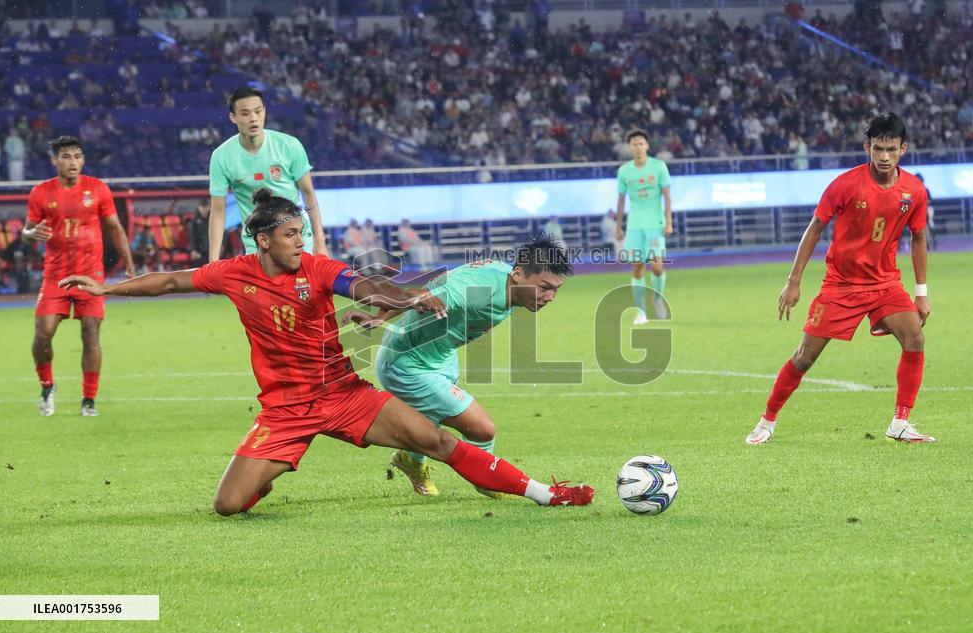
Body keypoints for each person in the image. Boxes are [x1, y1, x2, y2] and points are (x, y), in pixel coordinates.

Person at [59, 189, 594, 515]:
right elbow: (171, 281)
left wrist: (400, 298)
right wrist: (108, 288)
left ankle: (548, 494)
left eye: (304, 232)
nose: (302, 241)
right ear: (263, 241)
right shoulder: (232, 274)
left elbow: (363, 285)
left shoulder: (317, 268)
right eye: (292, 234)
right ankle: (267, 473)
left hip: (343, 394)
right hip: (285, 408)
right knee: (228, 506)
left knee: (437, 441)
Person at [746, 112, 935, 445]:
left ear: (903, 149)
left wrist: (921, 292)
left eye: (891, 149)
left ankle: (900, 422)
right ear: (867, 147)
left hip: (885, 284)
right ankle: (767, 420)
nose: (884, 156)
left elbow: (918, 238)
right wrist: (794, 280)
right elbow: (815, 228)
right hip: (841, 286)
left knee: (915, 338)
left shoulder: (913, 191)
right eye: (878, 149)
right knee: (805, 356)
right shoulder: (846, 184)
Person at [343, 233, 571, 499]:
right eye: (544, 287)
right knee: (482, 428)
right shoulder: (477, 290)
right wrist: (379, 316)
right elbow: (418, 295)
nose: (550, 296)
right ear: (518, 274)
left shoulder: (510, 284)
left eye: (556, 289)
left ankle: (411, 462)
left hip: (441, 356)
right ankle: (488, 478)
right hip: (407, 364)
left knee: (427, 421)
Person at [21, 135, 136, 417]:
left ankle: (89, 399)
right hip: (55, 275)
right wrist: (31, 234)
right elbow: (26, 232)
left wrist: (130, 266)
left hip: (90, 274)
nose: (72, 162)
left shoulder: (97, 189)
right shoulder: (41, 192)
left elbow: (115, 228)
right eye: (66, 156)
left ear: (83, 159)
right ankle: (47, 385)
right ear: (54, 160)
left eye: (77, 156)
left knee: (90, 332)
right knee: (43, 334)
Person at [208, 87, 327, 262]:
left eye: (258, 111)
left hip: (299, 241)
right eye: (245, 113)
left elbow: (308, 194)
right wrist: (213, 261)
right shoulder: (221, 157)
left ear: (264, 111)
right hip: (257, 247)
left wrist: (320, 242)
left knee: (302, 290)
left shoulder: (289, 146)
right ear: (233, 117)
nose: (253, 118)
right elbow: (218, 211)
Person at [615, 129, 673, 324]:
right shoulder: (624, 171)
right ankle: (641, 312)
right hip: (635, 225)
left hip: (655, 224)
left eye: (641, 143)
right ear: (630, 148)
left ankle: (657, 299)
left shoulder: (659, 167)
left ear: (647, 146)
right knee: (638, 267)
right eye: (634, 144)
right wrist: (618, 226)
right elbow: (621, 199)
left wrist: (669, 221)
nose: (638, 147)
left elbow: (666, 195)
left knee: (656, 267)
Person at [188, 199, 211, 266]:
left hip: (210, 248)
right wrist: (193, 249)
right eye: (202, 207)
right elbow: (192, 236)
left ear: (209, 207)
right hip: (199, 249)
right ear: (199, 208)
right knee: (200, 269)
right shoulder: (194, 221)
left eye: (205, 207)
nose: (203, 209)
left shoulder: (212, 220)